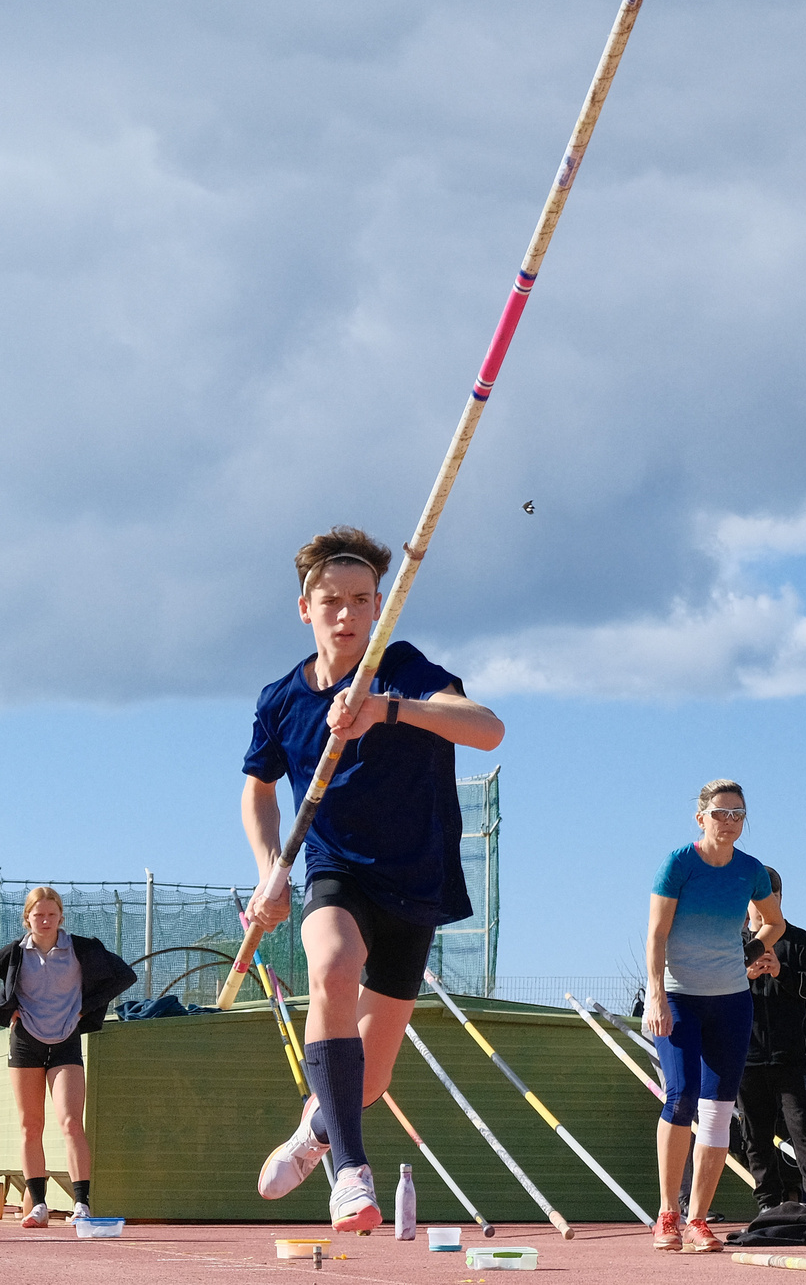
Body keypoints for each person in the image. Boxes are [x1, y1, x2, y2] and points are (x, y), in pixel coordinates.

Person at [245, 527, 505, 1234]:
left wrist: (386, 710)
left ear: (380, 605)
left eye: (362, 600)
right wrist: (272, 869)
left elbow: (487, 728)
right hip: (336, 871)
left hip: (414, 882)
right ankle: (349, 1175)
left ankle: (314, 1132)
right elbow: (259, 792)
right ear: (306, 607)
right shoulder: (281, 699)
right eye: (332, 601)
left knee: (373, 1077)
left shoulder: (401, 667)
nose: (347, 614)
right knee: (330, 963)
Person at [645, 779, 782, 1252]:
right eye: (721, 812)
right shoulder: (679, 863)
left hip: (731, 1000)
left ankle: (699, 1220)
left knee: (720, 1110)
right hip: (680, 996)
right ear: (700, 817)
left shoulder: (750, 871)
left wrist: (757, 950)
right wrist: (656, 992)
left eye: (738, 813)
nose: (729, 821)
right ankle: (667, 1214)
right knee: (680, 1097)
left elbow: (774, 921)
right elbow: (656, 934)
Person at [0, 886, 138, 1226]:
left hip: (66, 1041)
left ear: (61, 917)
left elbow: (124, 976)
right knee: (31, 1125)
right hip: (26, 1041)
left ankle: (82, 1205)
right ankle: (38, 1205)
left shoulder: (83, 949)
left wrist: (85, 1008)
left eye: (52, 915)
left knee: (71, 1123)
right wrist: (5, 1008)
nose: (45, 920)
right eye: (38, 915)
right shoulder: (15, 953)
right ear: (27, 918)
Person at [738, 867, 806, 1213]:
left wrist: (782, 972)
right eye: (757, 900)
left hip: (790, 1055)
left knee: (804, 1130)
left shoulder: (798, 939)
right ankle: (767, 1202)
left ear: (779, 899)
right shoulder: (733, 941)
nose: (764, 907)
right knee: (755, 1135)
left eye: (772, 899)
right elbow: (716, 990)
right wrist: (743, 974)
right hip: (746, 1056)